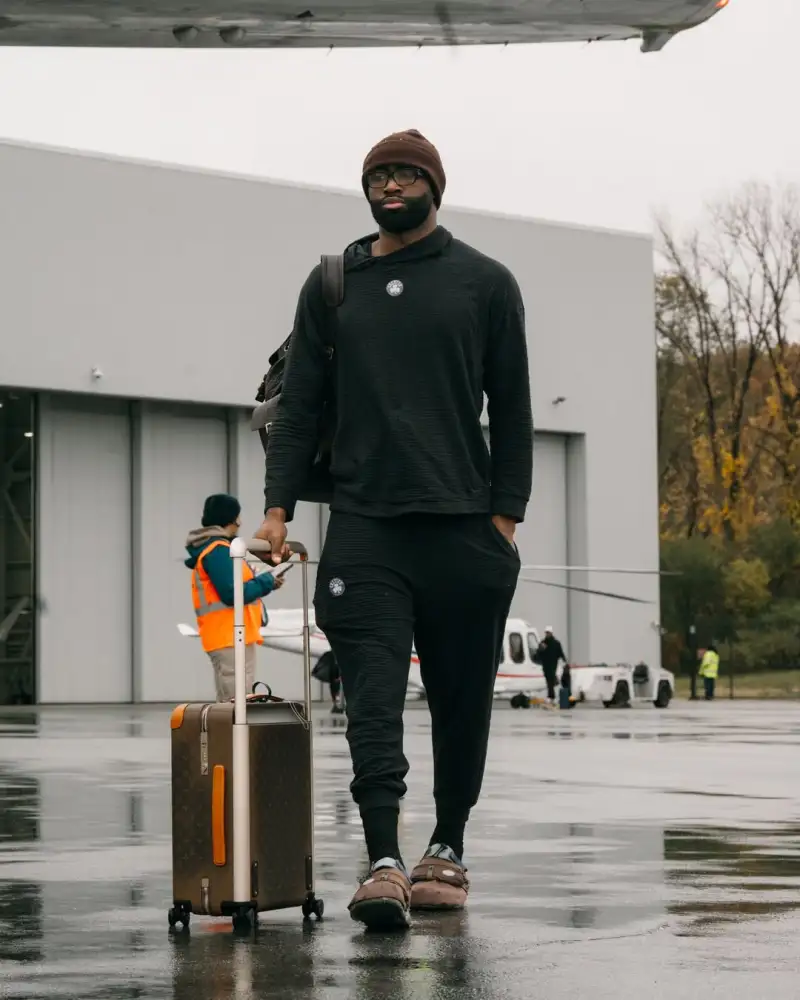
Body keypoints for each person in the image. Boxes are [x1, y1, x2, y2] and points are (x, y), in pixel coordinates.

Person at [256, 128, 533, 930]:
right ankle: (382, 858)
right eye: (380, 174)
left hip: (462, 530)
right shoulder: (334, 285)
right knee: (371, 700)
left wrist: (503, 520)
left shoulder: (485, 283)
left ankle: (446, 847)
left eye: (409, 173)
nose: (393, 185)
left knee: (458, 699)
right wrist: (277, 509)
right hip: (365, 527)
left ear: (434, 186)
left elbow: (513, 408)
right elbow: (300, 403)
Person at [185, 493, 284, 702]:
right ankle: (232, 737)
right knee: (236, 705)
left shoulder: (216, 550)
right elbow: (232, 594)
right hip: (230, 635)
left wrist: (265, 583)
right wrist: (267, 581)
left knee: (232, 703)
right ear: (234, 519)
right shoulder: (218, 551)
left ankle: (228, 736)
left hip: (229, 635)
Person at [535, 627, 567, 704]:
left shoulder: (556, 643)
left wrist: (564, 660)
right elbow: (538, 654)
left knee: (551, 679)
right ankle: (551, 696)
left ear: (551, 633)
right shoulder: (543, 643)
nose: (547, 634)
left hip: (553, 664)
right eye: (546, 633)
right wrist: (540, 650)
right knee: (549, 680)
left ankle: (551, 696)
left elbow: (560, 652)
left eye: (548, 633)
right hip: (545, 665)